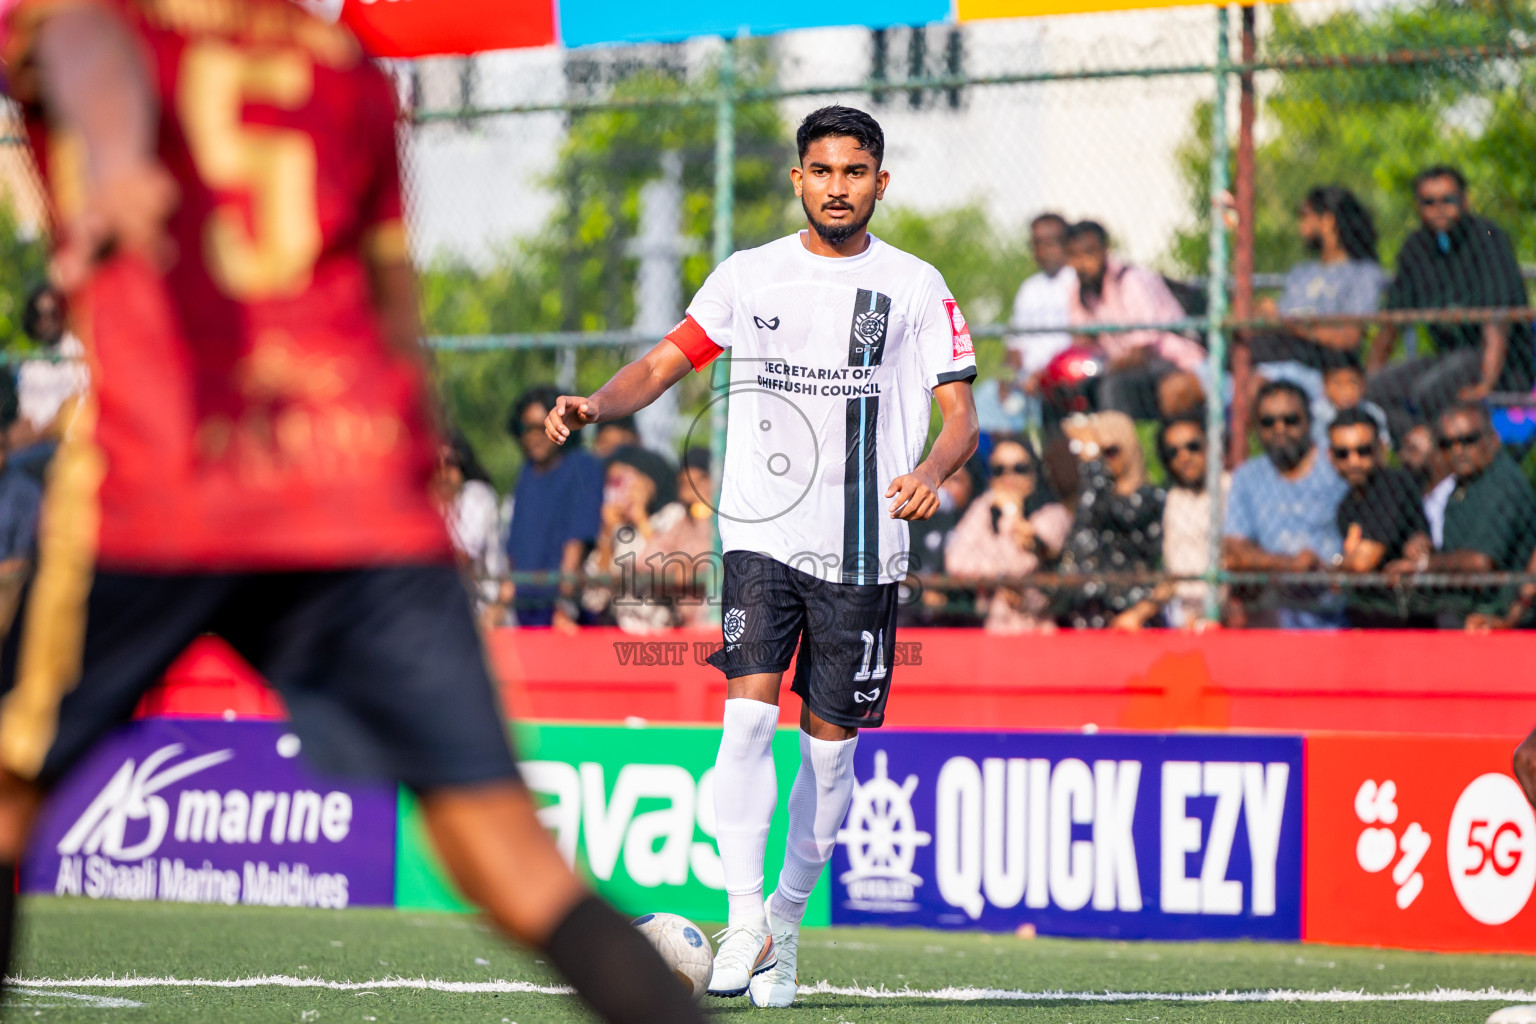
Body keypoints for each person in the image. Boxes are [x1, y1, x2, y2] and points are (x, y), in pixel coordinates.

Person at [0, 2, 704, 1022]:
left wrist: (111, 158)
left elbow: (81, 46)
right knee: (513, 860)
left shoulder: (98, 19)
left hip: (167, 480)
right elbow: (391, 306)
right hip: (355, 496)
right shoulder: (345, 65)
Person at [543, 105, 980, 1009]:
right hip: (758, 535)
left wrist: (934, 470)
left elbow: (960, 416)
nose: (836, 186)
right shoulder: (748, 275)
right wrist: (598, 402)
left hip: (863, 546)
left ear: (879, 183)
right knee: (744, 724)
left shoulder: (915, 284)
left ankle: (783, 923)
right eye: (820, 170)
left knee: (828, 761)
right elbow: (665, 364)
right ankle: (743, 915)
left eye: (854, 171)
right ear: (797, 179)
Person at [1367, 166, 1533, 440]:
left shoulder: (1488, 237)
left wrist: (1486, 384)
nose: (1439, 208)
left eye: (1448, 200)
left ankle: (1437, 461)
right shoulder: (1416, 247)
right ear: (1417, 206)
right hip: (1449, 356)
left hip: (1503, 362)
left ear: (1464, 201)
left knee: (1428, 392)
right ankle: (1420, 449)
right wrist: (1370, 373)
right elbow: (1391, 322)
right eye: (1429, 202)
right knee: (1375, 390)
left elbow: (1497, 321)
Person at [1387, 403, 1536, 628]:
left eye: (1469, 440)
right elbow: (1457, 551)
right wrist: (1425, 546)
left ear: (1493, 440)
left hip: (1492, 618)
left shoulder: (1502, 484)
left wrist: (1424, 564)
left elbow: (1480, 561)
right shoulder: (1462, 483)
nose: (1458, 450)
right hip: (1459, 611)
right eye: (1448, 444)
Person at [1223, 380, 1349, 629]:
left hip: (1340, 609)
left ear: (1309, 422)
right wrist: (1289, 565)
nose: (1279, 429)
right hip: (1278, 615)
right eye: (1268, 422)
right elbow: (1234, 550)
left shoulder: (1337, 464)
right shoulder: (1248, 477)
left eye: (1290, 420)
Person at [1062, 221, 1207, 420]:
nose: (1082, 263)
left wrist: (1103, 368)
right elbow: (1081, 344)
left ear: (1105, 250)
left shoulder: (1131, 280)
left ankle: (1120, 447)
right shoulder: (1079, 291)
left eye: (1089, 253)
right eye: (1074, 255)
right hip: (1127, 369)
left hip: (1175, 363)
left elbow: (1142, 352)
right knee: (1071, 389)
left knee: (1113, 386)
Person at [1249, 186, 1385, 397]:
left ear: (1328, 220)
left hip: (1319, 366)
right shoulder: (1301, 272)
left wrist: (1285, 320)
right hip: (1274, 355)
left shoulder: (1363, 274)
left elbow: (1349, 337)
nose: (1300, 226)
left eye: (1305, 216)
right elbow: (1278, 318)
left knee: (1257, 384)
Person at [945, 439, 1071, 633]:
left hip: (1039, 629)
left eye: (1019, 468)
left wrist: (1011, 512)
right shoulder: (984, 508)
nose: (1008, 477)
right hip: (993, 630)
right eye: (999, 469)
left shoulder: (1053, 514)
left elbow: (1018, 566)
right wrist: (1001, 579)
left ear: (1034, 473)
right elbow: (955, 561)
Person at [1055, 411, 1166, 630]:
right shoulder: (1092, 494)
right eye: (1096, 454)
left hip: (1130, 618)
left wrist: (1092, 464)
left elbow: (1106, 514)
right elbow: (1084, 528)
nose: (1101, 461)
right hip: (1084, 616)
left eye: (1109, 451)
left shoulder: (1149, 498)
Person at [504, 385, 603, 629]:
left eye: (541, 428)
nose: (534, 436)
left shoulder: (581, 466)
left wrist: (564, 604)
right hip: (524, 607)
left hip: (563, 610)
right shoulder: (526, 472)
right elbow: (516, 544)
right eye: (527, 429)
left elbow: (577, 540)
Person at [1328, 408, 1430, 627]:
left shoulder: (1392, 485)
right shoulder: (1346, 504)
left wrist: (1335, 567)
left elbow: (1363, 561)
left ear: (1380, 449)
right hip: (1368, 618)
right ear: (1331, 457)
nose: (1353, 461)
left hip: (1406, 621)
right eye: (1342, 453)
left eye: (1363, 451)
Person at [581, 444, 683, 633]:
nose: (621, 489)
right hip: (620, 638)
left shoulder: (673, 516)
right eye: (613, 483)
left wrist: (642, 520)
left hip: (663, 637)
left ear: (649, 479)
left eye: (624, 480)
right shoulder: (616, 529)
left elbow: (670, 573)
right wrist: (606, 534)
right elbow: (594, 600)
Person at [1158, 416, 1225, 629]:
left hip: (1223, 613)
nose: (1184, 457)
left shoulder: (1229, 489)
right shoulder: (1172, 499)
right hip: (1179, 615)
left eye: (1193, 447)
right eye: (1173, 452)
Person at [435, 431, 508, 627]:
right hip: (448, 612)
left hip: (486, 611)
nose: (443, 470)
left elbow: (462, 557)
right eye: (436, 463)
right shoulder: (434, 501)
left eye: (449, 462)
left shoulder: (477, 495)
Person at [1007, 214, 1075, 399]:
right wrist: (1008, 379)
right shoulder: (1029, 288)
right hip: (1026, 382)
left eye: (1050, 243)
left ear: (1067, 243)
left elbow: (1081, 342)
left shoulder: (1076, 282)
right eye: (1037, 244)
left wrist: (1044, 375)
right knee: (985, 400)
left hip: (1065, 378)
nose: (1043, 250)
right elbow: (1015, 347)